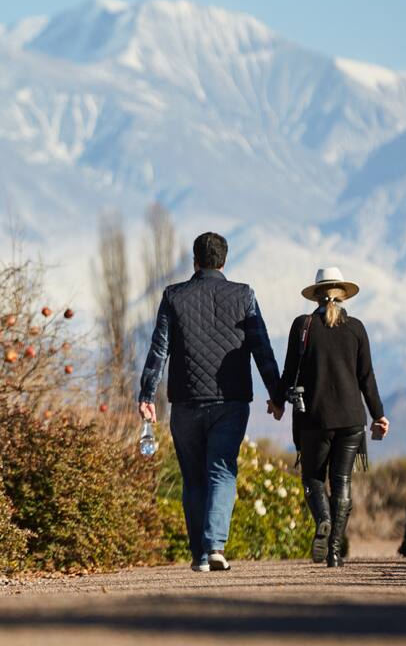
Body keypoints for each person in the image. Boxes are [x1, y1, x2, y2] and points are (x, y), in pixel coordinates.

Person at [137, 232, 281, 572]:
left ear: (195, 261)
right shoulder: (244, 296)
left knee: (193, 478)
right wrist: (276, 394)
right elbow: (262, 348)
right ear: (224, 261)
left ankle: (200, 555)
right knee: (221, 469)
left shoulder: (174, 296)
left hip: (185, 402)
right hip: (230, 401)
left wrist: (147, 395)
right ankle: (215, 546)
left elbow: (159, 349)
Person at [270, 267, 389, 568]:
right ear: (342, 293)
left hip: (314, 418)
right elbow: (367, 377)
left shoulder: (304, 325)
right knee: (342, 481)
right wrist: (379, 414)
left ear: (316, 295)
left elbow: (288, 371)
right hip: (352, 419)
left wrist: (277, 401)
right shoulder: (357, 328)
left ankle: (322, 519)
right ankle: (334, 550)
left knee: (312, 478)